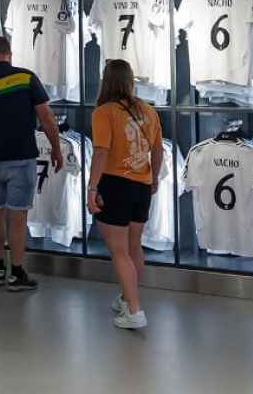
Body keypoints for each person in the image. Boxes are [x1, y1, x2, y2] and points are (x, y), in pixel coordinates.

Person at [0, 36, 63, 292]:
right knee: (18, 217)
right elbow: (47, 118)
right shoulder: (26, 78)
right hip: (21, 157)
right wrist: (56, 149)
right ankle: (17, 274)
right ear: (10, 52)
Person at [87, 59, 163, 330]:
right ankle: (127, 297)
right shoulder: (148, 111)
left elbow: (101, 151)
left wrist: (92, 187)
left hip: (114, 184)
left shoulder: (103, 112)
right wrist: (154, 177)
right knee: (134, 247)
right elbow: (157, 149)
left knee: (119, 251)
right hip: (141, 185)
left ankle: (134, 311)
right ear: (130, 80)